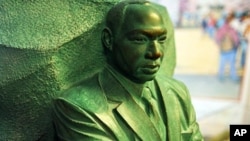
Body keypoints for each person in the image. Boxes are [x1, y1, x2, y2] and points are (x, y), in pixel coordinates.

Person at [52, 0, 204, 141]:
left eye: (161, 39)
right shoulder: (78, 106)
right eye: (140, 39)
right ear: (109, 40)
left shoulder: (178, 93)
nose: (156, 52)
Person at [215, 13, 240, 82]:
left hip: (223, 50)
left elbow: (217, 39)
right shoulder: (232, 30)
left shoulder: (221, 29)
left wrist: (220, 45)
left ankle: (221, 76)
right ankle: (234, 77)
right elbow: (236, 40)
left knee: (222, 64)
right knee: (232, 65)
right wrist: (236, 46)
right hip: (231, 50)